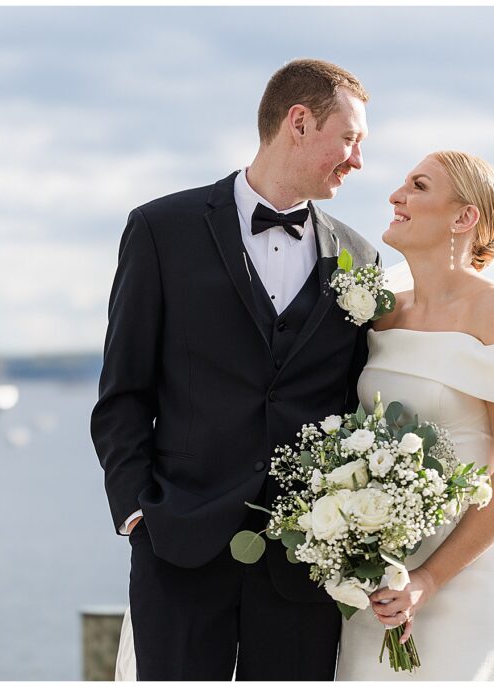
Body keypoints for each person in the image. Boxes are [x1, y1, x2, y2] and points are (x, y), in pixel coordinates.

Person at [90, 58, 377, 680]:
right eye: (350, 139)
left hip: (305, 557)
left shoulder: (360, 255)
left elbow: (362, 404)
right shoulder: (160, 230)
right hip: (180, 541)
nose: (358, 161)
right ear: (298, 122)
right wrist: (138, 513)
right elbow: (123, 392)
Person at [335, 151, 494, 680]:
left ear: (464, 217)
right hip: (378, 567)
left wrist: (427, 580)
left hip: (465, 573)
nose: (395, 195)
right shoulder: (382, 308)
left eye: (419, 186)